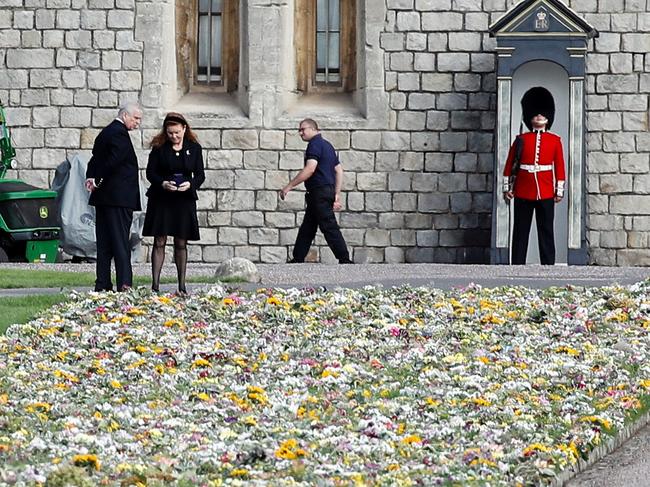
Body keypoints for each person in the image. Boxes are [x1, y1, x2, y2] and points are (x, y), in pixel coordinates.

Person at [143, 112, 205, 294]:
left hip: (184, 199)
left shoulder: (194, 148)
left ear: (184, 129)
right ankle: (155, 285)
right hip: (162, 198)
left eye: (177, 132)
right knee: (159, 240)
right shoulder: (159, 147)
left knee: (181, 241)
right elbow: (150, 172)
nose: (174, 136)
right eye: (170, 133)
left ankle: (182, 285)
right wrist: (162, 183)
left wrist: (191, 184)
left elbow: (200, 175)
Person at [85, 102, 143, 291]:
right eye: (136, 118)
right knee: (119, 242)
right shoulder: (119, 133)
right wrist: (98, 180)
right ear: (125, 115)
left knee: (104, 243)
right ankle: (124, 284)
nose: (138, 123)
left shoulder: (106, 132)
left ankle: (102, 283)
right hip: (118, 199)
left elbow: (95, 158)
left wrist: (91, 178)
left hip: (104, 199)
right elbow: (113, 161)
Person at [280, 118, 353, 264]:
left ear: (314, 129)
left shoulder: (314, 145)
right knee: (308, 226)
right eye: (299, 130)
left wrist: (289, 186)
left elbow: (310, 168)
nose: (300, 133)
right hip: (322, 192)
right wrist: (336, 194)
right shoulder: (327, 146)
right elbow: (339, 171)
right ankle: (298, 258)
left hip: (319, 192)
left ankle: (345, 260)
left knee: (328, 225)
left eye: (303, 129)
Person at [503, 100, 566, 265]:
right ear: (530, 118)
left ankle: (548, 265)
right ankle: (517, 265)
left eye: (542, 114)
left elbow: (559, 165)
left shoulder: (554, 140)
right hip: (523, 190)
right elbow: (510, 164)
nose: (539, 116)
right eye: (536, 114)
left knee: (546, 231)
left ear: (548, 118)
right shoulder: (521, 139)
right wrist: (507, 187)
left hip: (545, 191)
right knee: (520, 231)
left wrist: (559, 189)